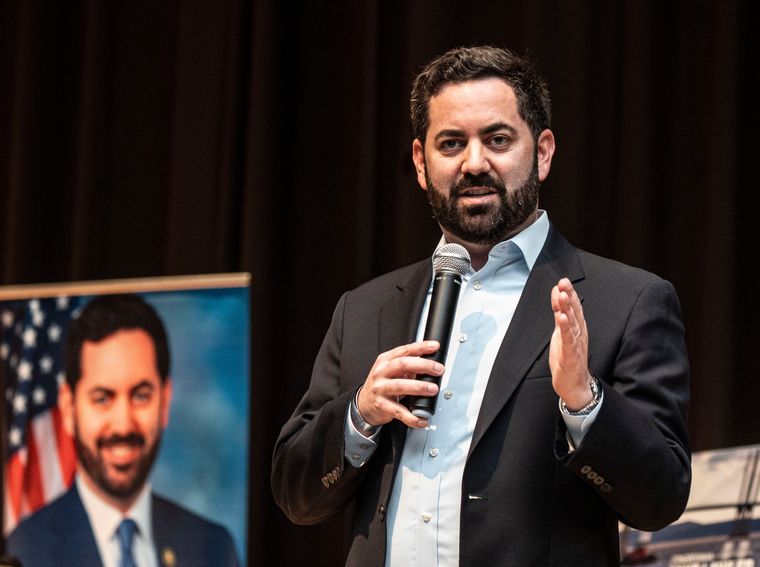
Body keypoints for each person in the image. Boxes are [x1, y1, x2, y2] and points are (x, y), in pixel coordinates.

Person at [271, 45, 691, 566]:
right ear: (422, 164)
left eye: (497, 139)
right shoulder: (365, 308)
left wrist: (584, 402)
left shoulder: (625, 301)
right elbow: (295, 495)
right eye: (451, 144)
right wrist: (360, 413)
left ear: (542, 152)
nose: (474, 163)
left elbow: (661, 498)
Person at [7, 294, 239, 567]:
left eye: (141, 396)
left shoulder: (213, 546)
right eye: (102, 399)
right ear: (69, 408)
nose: (123, 424)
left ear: (165, 401)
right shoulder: (26, 549)